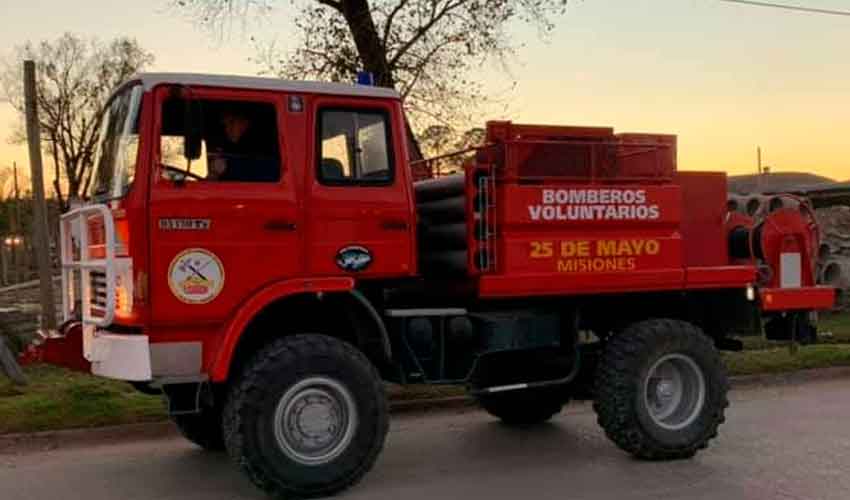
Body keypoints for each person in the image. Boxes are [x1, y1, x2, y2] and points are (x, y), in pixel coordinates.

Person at [206, 106, 279, 182]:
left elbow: (268, 170)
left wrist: (227, 167)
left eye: (231, 122)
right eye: (225, 125)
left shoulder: (263, 143)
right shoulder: (229, 146)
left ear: (244, 121)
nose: (228, 129)